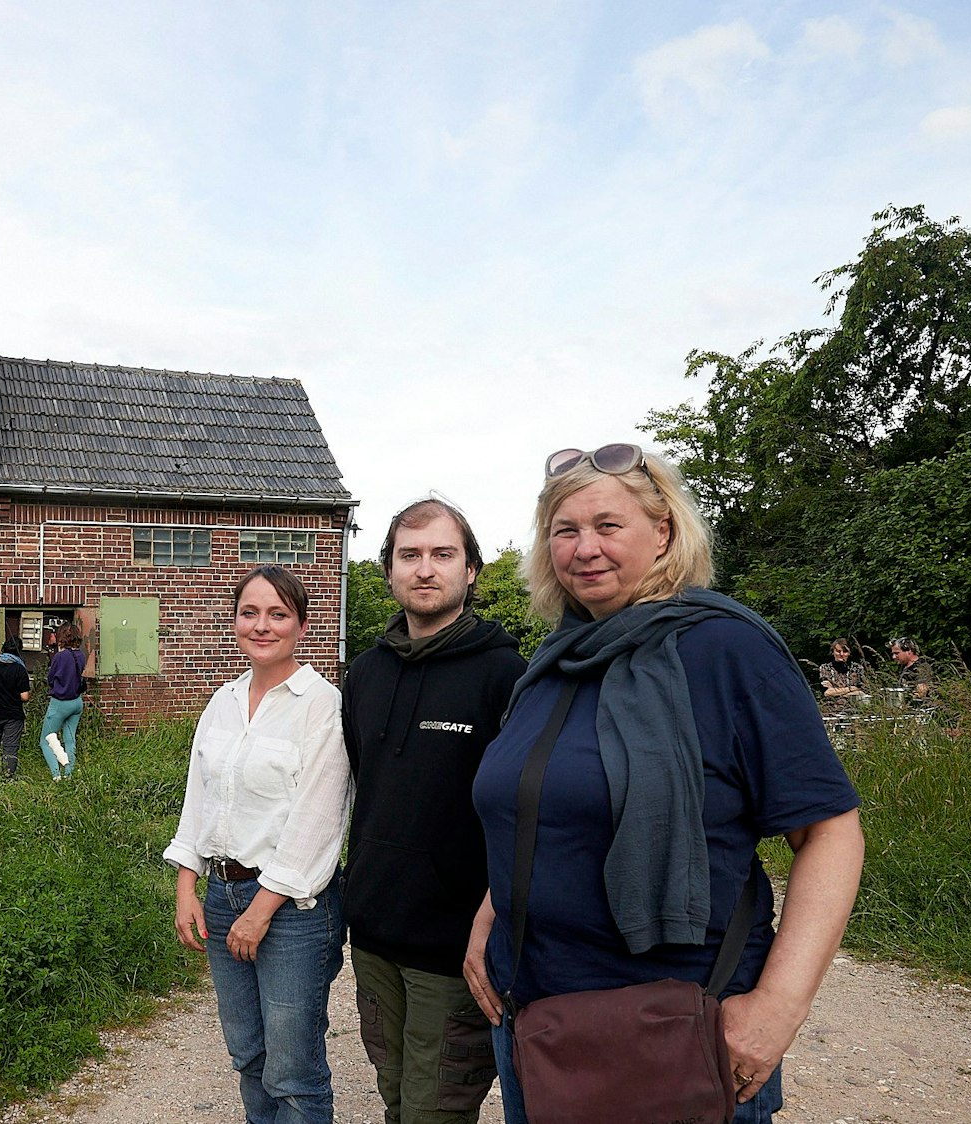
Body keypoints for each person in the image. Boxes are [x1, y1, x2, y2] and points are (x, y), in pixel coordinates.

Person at [463, 443, 864, 1123]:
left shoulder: (725, 650)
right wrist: (491, 912)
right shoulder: (552, 666)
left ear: (663, 532)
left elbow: (829, 830)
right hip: (537, 1019)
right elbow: (537, 806)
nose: (584, 547)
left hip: (675, 1023)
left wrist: (777, 1008)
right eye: (565, 530)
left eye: (607, 525)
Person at [344, 499, 527, 1124]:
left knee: (437, 1111)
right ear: (390, 571)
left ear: (471, 570)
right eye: (410, 555)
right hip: (372, 934)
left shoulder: (506, 675)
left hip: (455, 947)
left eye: (443, 555)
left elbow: (526, 814)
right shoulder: (364, 675)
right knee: (396, 1098)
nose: (425, 569)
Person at [165, 564, 353, 1124]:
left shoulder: (321, 705)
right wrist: (187, 884)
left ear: (301, 624)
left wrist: (261, 911)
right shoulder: (222, 701)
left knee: (293, 1072)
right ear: (236, 621)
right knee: (249, 1055)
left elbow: (318, 821)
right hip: (222, 898)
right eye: (251, 613)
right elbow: (199, 797)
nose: (262, 626)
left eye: (278, 614)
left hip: (292, 912)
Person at [40, 624, 88, 780]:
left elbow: (51, 678)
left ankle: (56, 775)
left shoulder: (60, 657)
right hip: (76, 702)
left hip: (60, 703)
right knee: (70, 739)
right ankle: (69, 773)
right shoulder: (81, 655)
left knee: (46, 740)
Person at [0, 633, 31, 778]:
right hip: (13, 715)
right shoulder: (20, 669)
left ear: (3, 649)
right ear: (18, 651)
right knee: (10, 748)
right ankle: (7, 776)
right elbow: (25, 696)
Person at [889, 637, 933, 701]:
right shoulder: (903, 666)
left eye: (897, 653)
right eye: (893, 654)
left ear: (909, 651)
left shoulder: (921, 667)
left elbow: (921, 692)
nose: (893, 657)